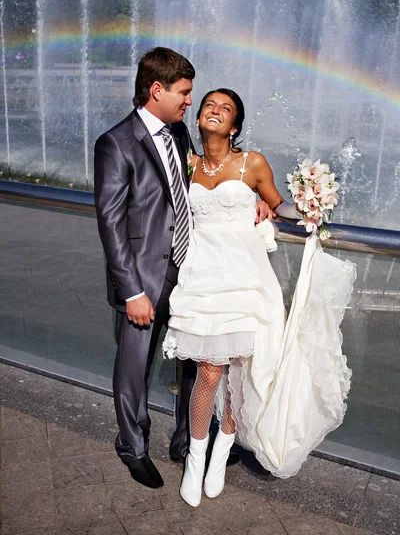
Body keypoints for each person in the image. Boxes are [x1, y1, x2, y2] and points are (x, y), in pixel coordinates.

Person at [163, 88, 355, 507]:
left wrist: (309, 207)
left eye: (225, 109)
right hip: (203, 278)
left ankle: (221, 456)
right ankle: (197, 459)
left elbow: (278, 204)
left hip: (248, 278)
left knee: (240, 376)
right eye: (209, 105)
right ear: (198, 119)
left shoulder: (252, 163)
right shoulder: (187, 163)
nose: (215, 111)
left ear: (234, 126)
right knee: (209, 373)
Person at [94, 49, 272, 490]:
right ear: (158, 90)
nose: (191, 102)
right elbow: (111, 223)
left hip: (191, 270)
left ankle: (184, 440)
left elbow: (199, 185)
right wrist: (131, 290)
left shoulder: (177, 135)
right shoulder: (115, 143)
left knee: (195, 357)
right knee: (134, 366)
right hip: (143, 278)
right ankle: (132, 447)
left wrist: (262, 203)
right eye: (185, 93)